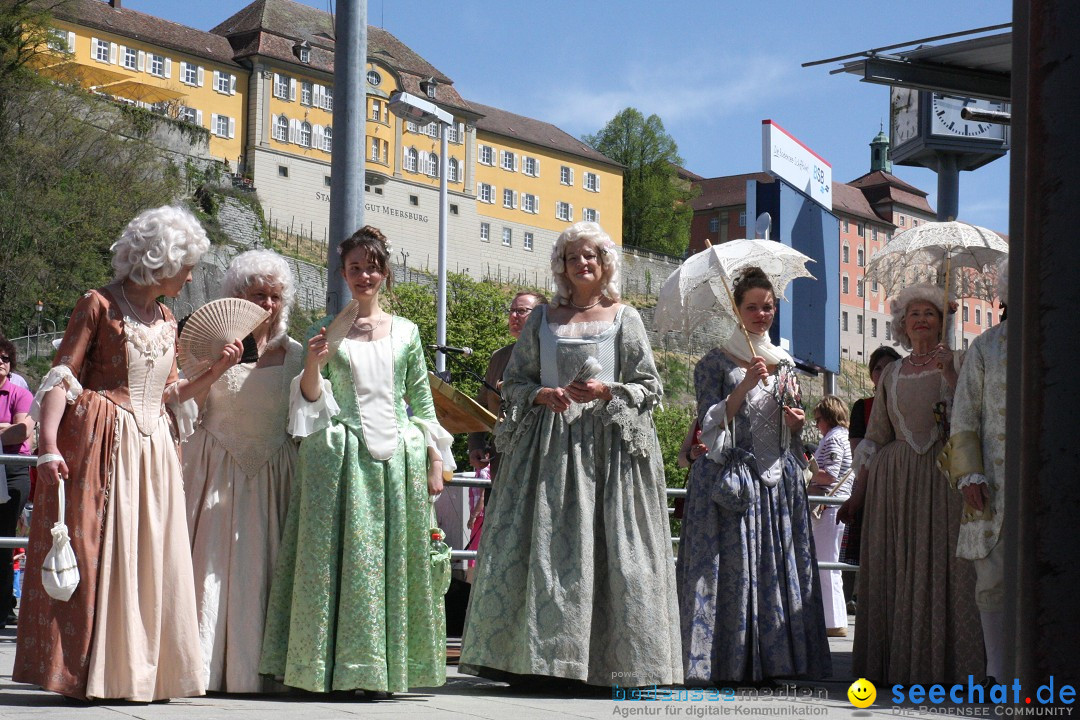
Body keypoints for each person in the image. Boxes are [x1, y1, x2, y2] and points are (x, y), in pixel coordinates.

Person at [13, 205, 243, 701]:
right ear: (163, 259)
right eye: (187, 264)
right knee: (99, 550)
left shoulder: (165, 317)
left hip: (154, 446)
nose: (190, 275)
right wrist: (48, 446)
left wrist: (216, 372)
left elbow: (170, 393)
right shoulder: (97, 304)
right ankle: (94, 671)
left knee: (147, 555)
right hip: (102, 440)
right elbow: (61, 378)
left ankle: (138, 670)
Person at [460, 221, 682, 687]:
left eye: (592, 256)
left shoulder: (626, 317)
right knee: (546, 550)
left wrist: (606, 390)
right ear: (561, 266)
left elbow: (649, 387)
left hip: (608, 453)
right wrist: (543, 393)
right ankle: (542, 662)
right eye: (573, 257)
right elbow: (514, 381)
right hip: (549, 451)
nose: (583, 263)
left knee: (614, 552)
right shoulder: (542, 320)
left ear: (605, 265)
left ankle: (612, 662)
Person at [259, 225, 454, 696]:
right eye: (354, 268)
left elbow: (421, 403)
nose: (363, 275)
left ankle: (383, 670)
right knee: (339, 562)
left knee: (391, 561)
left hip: (396, 462)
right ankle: (329, 669)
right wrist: (313, 363)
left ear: (385, 273)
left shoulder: (407, 333)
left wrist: (434, 460)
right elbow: (308, 404)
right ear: (344, 274)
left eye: (371, 267)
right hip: (340, 458)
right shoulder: (325, 330)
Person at [676, 266, 830, 685]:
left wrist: (797, 425)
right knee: (728, 570)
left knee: (771, 570)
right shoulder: (713, 362)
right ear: (736, 309)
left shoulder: (785, 364)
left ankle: (776, 661)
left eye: (769, 307)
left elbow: (792, 433)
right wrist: (742, 386)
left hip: (778, 483)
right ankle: (722, 663)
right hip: (730, 480)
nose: (762, 314)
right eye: (753, 307)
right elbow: (708, 425)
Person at [838, 283, 983, 685]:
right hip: (894, 483)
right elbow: (875, 438)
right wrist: (857, 496)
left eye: (930, 313)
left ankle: (949, 667)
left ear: (942, 322)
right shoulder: (892, 373)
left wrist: (950, 373)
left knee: (949, 567)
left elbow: (971, 420)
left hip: (944, 479)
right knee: (897, 570)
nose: (921, 319)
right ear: (902, 323)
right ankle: (896, 664)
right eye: (914, 313)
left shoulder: (961, 361)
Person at [183, 250, 304, 693]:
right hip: (215, 465)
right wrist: (217, 366)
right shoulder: (208, 347)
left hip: (277, 470)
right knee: (209, 567)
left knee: (267, 567)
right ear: (236, 297)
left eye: (274, 296)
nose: (268, 305)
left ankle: (264, 670)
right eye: (258, 295)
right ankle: (203, 667)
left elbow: (307, 419)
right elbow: (188, 408)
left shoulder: (297, 354)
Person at [940, 260, 1008, 684]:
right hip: (995, 487)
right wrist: (970, 476)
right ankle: (1001, 678)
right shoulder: (985, 347)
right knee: (994, 580)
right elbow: (964, 419)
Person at [465, 290, 547, 562]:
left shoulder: (552, 355)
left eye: (521, 311)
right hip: (501, 467)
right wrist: (476, 444)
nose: (513, 316)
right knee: (500, 548)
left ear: (540, 316)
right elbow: (480, 404)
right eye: (512, 311)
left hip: (539, 467)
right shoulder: (499, 358)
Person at [841, 345, 901, 610]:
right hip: (872, 484)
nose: (883, 372)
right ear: (871, 374)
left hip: (901, 483)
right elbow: (858, 452)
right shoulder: (862, 407)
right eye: (878, 368)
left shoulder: (905, 400)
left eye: (889, 367)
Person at [808, 396, 852, 638]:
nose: (816, 425)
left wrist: (807, 472)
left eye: (818, 420)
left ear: (828, 417)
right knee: (829, 565)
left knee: (826, 565)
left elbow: (830, 475)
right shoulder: (842, 437)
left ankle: (833, 622)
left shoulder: (834, 438)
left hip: (829, 507)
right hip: (833, 507)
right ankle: (832, 619)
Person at [0, 337, 34, 627]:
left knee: (5, 538)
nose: (1, 362)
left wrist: (10, 429)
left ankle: (3, 607)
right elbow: (10, 429)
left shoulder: (19, 394)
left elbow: (21, 431)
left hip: (12, 473)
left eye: (5, 358)